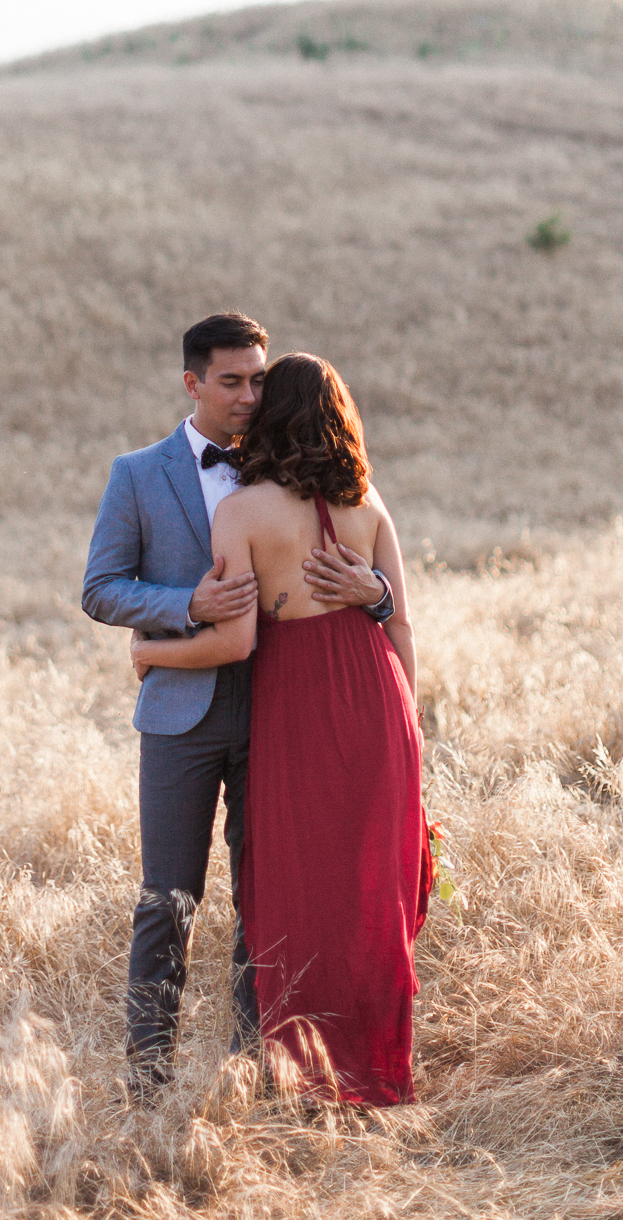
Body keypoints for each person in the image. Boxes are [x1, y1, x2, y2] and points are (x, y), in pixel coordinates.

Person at [82, 315, 396, 1097]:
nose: (250, 395)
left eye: (260, 378)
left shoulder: (296, 466)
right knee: (169, 898)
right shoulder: (138, 474)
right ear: (192, 383)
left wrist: (378, 592)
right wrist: (185, 600)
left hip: (280, 716)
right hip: (181, 718)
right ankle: (146, 1079)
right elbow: (100, 588)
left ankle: (252, 1069)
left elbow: (357, 561)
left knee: (269, 899)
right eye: (232, 381)